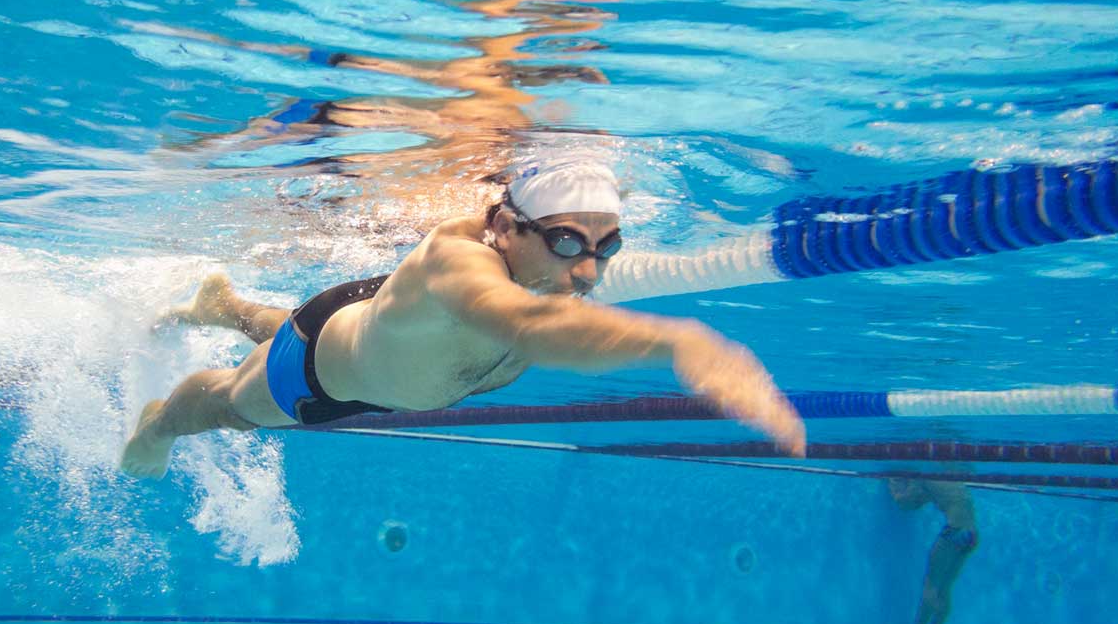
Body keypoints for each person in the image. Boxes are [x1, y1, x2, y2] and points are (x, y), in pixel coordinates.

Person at [120, 158, 806, 478]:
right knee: (228, 406)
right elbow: (526, 326)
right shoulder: (463, 265)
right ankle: (157, 426)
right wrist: (683, 345)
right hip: (319, 378)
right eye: (568, 242)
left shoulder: (548, 268)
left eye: (607, 247)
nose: (590, 271)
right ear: (506, 226)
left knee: (289, 327)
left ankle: (227, 307)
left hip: (375, 329)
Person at [888, 478, 979, 624]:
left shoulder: (923, 472)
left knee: (931, 586)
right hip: (971, 534)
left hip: (954, 531)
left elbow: (905, 503)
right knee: (944, 589)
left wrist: (894, 483)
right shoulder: (950, 474)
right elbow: (927, 498)